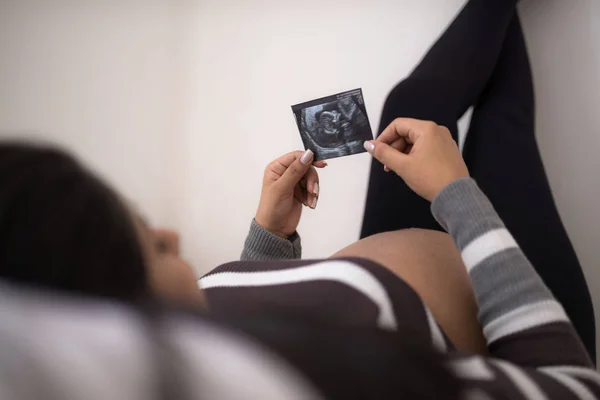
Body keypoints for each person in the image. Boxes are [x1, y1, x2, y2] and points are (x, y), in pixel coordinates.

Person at [0, 0, 598, 397]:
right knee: (502, 129)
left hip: (421, 242)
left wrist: (269, 237)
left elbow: (253, 321)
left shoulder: (181, 325)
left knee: (408, 106)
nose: (172, 237)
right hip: (522, 306)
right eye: (151, 245)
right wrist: (456, 193)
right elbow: (569, 385)